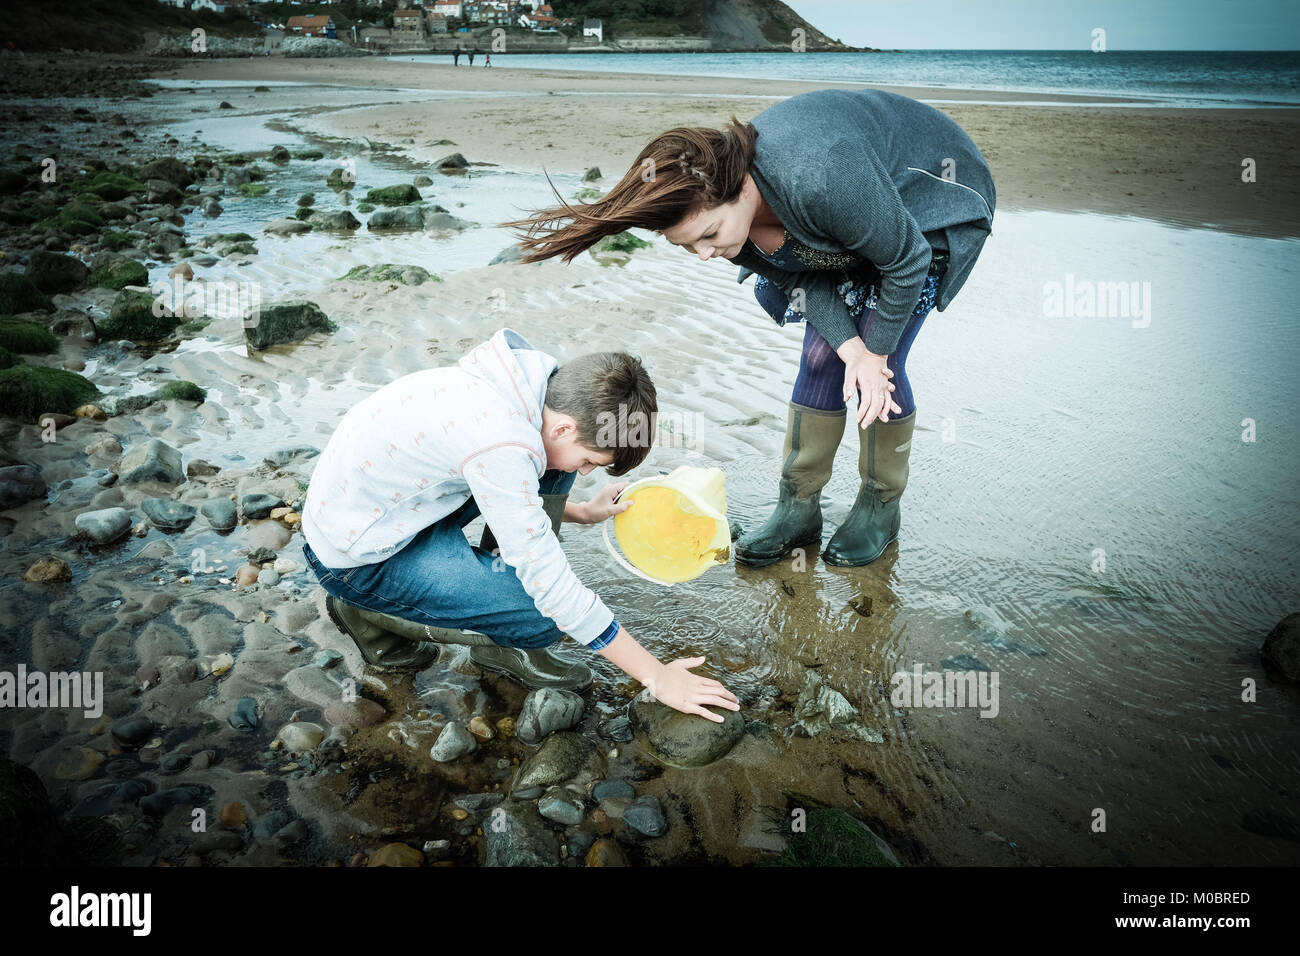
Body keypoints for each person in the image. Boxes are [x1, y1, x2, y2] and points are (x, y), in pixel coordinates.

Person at [498, 88, 995, 569]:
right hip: (849, 222)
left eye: (710, 235)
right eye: (686, 246)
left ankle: (880, 506)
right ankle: (798, 507)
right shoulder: (736, 227)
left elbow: (907, 261)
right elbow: (801, 278)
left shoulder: (820, 176)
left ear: (738, 188)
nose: (705, 254)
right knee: (824, 357)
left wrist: (874, 355)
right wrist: (851, 349)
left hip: (927, 206)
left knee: (880, 367)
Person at [300, 328, 739, 722]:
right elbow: (554, 589)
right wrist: (657, 676)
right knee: (541, 616)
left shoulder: (531, 388)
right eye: (593, 461)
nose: (587, 472)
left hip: (394, 510)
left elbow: (507, 485)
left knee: (556, 465)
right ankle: (366, 609)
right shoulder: (502, 439)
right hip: (357, 556)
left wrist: (582, 511)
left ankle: (494, 589)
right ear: (566, 425)